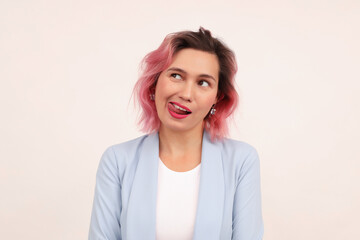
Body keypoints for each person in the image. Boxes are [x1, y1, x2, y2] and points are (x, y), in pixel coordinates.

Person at [89, 27, 264, 240]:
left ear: (217, 98)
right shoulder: (117, 161)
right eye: (176, 75)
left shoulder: (241, 161)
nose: (186, 94)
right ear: (155, 82)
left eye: (203, 83)